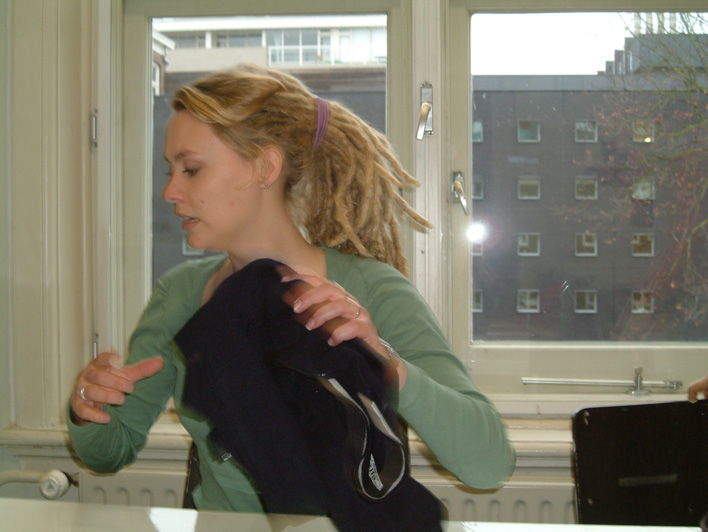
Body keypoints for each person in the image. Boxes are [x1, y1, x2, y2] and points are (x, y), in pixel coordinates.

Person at [68, 63, 515, 513]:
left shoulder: (371, 291)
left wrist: (386, 364)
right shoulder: (180, 295)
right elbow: (108, 452)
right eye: (170, 170)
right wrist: (89, 408)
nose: (169, 191)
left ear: (265, 167)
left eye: (191, 169)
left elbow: (489, 465)